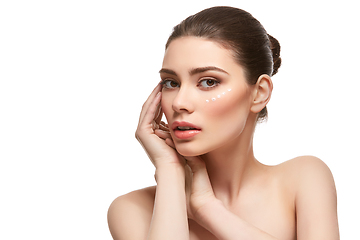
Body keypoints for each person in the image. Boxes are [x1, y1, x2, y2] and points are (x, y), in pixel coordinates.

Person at [107, 6, 339, 240]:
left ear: (259, 92)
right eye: (171, 82)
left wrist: (208, 208)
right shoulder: (132, 209)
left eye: (208, 82)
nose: (179, 103)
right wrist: (170, 169)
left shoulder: (303, 179)